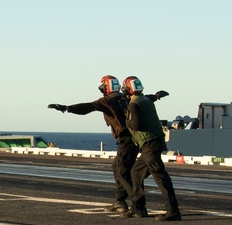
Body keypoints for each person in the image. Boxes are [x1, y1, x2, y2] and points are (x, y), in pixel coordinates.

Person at [49, 76, 168, 215]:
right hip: (134, 139)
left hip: (126, 140)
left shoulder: (107, 101)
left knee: (123, 172)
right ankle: (120, 201)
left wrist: (67, 108)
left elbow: (88, 107)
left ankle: (138, 205)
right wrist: (157, 96)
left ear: (105, 88)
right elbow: (144, 98)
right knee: (118, 168)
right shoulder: (125, 97)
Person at [123, 76, 181, 221]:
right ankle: (137, 208)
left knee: (160, 175)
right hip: (155, 142)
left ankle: (173, 210)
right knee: (136, 172)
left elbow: (135, 125)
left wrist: (126, 123)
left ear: (127, 89)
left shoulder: (133, 105)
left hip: (148, 143)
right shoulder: (145, 100)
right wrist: (157, 95)